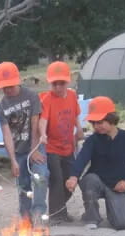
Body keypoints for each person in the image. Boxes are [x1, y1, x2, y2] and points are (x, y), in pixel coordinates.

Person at [65, 96, 125, 230]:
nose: (96, 126)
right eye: (93, 123)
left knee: (122, 223)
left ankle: (113, 206)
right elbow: (82, 158)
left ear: (111, 119)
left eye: (100, 122)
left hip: (117, 185)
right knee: (89, 180)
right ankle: (91, 217)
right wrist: (73, 176)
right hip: (97, 182)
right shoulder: (92, 140)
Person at [0, 61, 49, 223]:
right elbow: (7, 135)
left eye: (10, 86)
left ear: (18, 81)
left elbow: (35, 124)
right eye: (4, 87)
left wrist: (34, 149)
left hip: (35, 147)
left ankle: (39, 212)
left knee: (42, 176)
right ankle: (26, 218)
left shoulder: (31, 96)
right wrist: (12, 160)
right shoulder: (1, 107)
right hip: (18, 152)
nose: (7, 90)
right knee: (23, 186)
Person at [39, 61, 84, 224]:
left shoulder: (72, 95)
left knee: (71, 180)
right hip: (52, 148)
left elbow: (76, 114)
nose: (58, 87)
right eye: (54, 84)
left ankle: (58, 210)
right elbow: (43, 119)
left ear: (68, 81)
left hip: (68, 146)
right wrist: (42, 134)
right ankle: (57, 216)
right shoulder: (47, 99)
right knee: (57, 180)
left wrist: (79, 129)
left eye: (61, 83)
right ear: (50, 83)